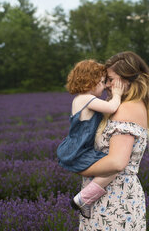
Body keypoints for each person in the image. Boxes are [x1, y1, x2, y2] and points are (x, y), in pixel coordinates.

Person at [78, 51, 149, 230]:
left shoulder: (126, 110)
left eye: (111, 79)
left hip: (114, 200)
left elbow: (117, 163)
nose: (106, 85)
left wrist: (81, 168)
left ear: (127, 80)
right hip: (111, 198)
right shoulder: (134, 106)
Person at [56, 59, 125, 219]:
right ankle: (82, 200)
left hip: (80, 149)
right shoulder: (85, 99)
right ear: (90, 82)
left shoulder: (83, 100)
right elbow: (112, 107)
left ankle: (86, 200)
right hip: (79, 151)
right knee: (114, 167)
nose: (104, 85)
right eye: (101, 82)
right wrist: (117, 94)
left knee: (112, 167)